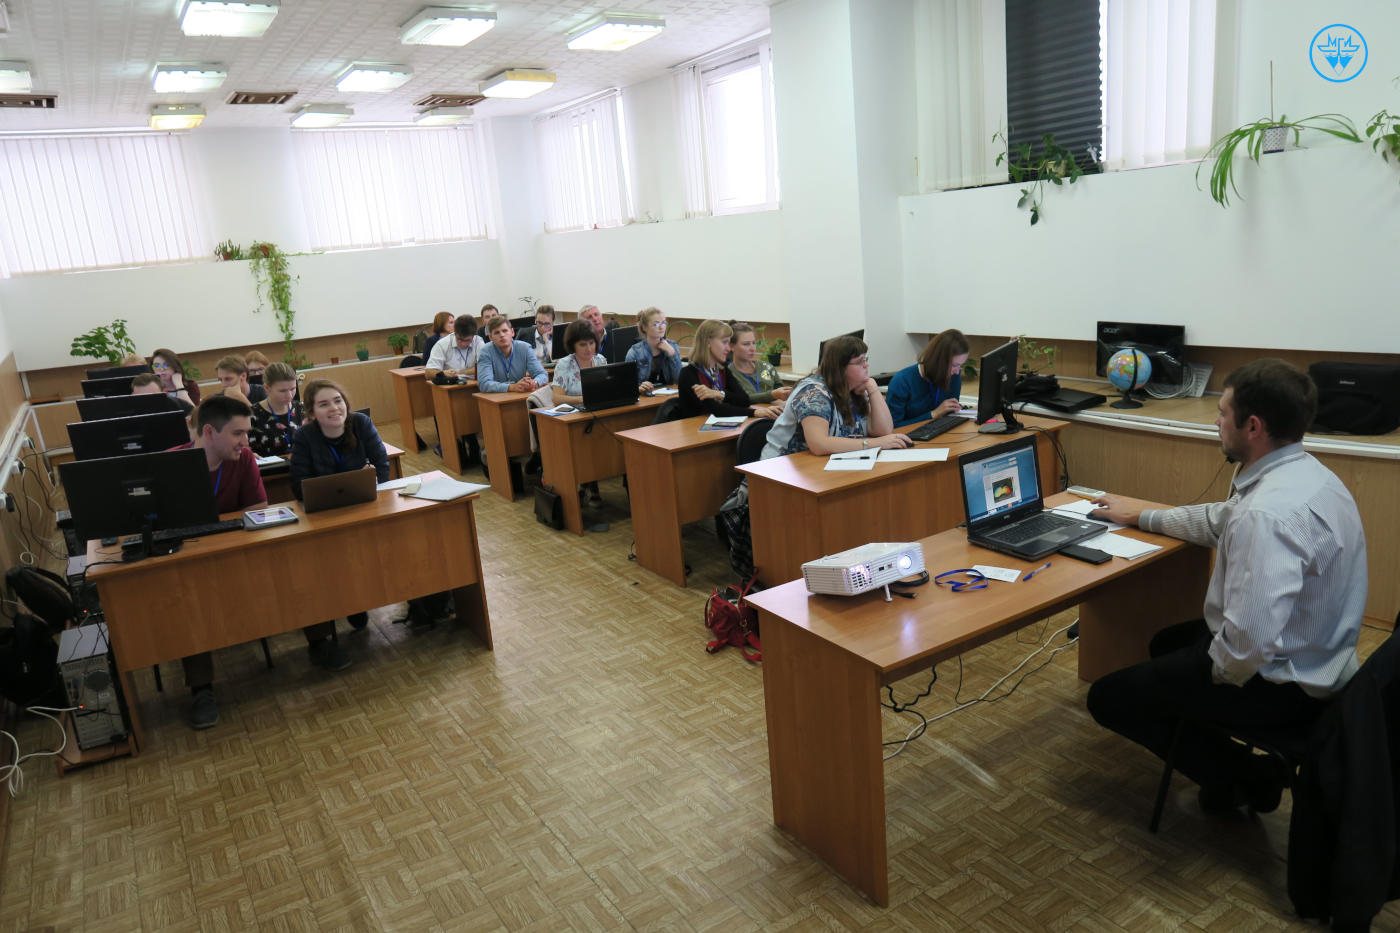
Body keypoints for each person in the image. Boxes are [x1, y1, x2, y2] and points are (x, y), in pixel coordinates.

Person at [1087, 359, 1367, 815]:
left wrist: (1211, 678)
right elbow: (1223, 520)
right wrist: (1140, 515)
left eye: (1222, 413)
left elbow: (1246, 647)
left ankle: (1245, 774)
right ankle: (1225, 762)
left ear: (1252, 426)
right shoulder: (1309, 475)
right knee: (1165, 644)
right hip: (1326, 659)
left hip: (1281, 685)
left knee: (1108, 698)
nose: (1216, 423)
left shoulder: (1267, 515)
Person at [168, 396, 289, 730]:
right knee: (187, 603)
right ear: (209, 431)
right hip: (189, 562)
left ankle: (319, 641)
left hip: (236, 551)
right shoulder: (169, 465)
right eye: (238, 434)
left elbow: (259, 508)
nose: (245, 442)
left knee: (294, 566)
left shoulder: (244, 458)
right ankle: (202, 689)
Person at [291, 379, 391, 637]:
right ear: (312, 413)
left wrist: (373, 480)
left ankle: (361, 599)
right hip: (324, 515)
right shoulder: (304, 436)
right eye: (324, 404)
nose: (334, 408)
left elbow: (382, 465)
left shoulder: (361, 423)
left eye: (338, 401)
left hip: (365, 506)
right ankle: (345, 605)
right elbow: (299, 484)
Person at [760, 335, 913, 458]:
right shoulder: (814, 393)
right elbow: (819, 444)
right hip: (781, 471)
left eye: (866, 360)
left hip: (822, 466)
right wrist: (876, 443)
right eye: (860, 362)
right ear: (840, 368)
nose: (866, 366)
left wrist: (872, 388)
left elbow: (883, 431)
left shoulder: (853, 389)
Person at [677, 320, 781, 420]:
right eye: (724, 342)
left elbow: (744, 400)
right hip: (695, 432)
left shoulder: (722, 370)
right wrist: (754, 412)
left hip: (720, 430)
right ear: (708, 342)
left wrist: (719, 394)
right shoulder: (689, 374)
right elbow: (715, 409)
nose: (728, 348)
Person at [886, 329, 969, 427]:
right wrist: (933, 414)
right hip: (909, 438)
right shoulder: (902, 382)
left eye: (960, 365)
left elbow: (949, 415)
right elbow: (893, 427)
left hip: (940, 434)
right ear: (938, 361)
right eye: (954, 365)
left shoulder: (953, 376)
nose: (957, 371)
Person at [476, 316, 547, 393]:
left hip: (521, 395)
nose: (502, 335)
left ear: (512, 332)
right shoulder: (486, 352)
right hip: (497, 399)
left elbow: (542, 374)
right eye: (497, 333)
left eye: (505, 331)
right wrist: (512, 387)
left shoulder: (525, 348)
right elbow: (484, 384)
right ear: (490, 337)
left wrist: (534, 383)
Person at [728, 323, 793, 405]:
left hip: (775, 414)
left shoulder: (767, 367)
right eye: (746, 344)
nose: (752, 348)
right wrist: (772, 395)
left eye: (754, 343)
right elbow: (742, 399)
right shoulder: (728, 374)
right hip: (750, 416)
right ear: (731, 346)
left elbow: (782, 391)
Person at [248, 362, 303, 458]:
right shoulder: (252, 414)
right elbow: (245, 449)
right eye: (282, 391)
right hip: (269, 470)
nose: (289, 395)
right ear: (267, 388)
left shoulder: (302, 409)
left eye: (293, 389)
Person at [551, 320, 610, 407]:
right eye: (583, 345)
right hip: (574, 414)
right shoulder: (564, 364)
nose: (589, 349)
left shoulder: (600, 360)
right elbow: (556, 398)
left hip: (599, 409)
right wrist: (582, 399)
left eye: (591, 343)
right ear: (572, 345)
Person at [625, 307, 682, 393]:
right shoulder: (635, 352)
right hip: (645, 398)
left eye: (663, 323)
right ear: (644, 327)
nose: (661, 328)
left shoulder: (672, 346)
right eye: (656, 324)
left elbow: (679, 380)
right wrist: (639, 387)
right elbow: (627, 384)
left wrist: (672, 354)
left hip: (667, 396)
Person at [424, 315, 484, 382]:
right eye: (459, 339)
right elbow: (428, 373)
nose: (463, 344)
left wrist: (460, 372)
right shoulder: (442, 344)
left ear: (474, 335)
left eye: (467, 340)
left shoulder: (478, 341)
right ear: (454, 332)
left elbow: (484, 367)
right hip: (452, 386)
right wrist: (443, 373)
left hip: (475, 385)